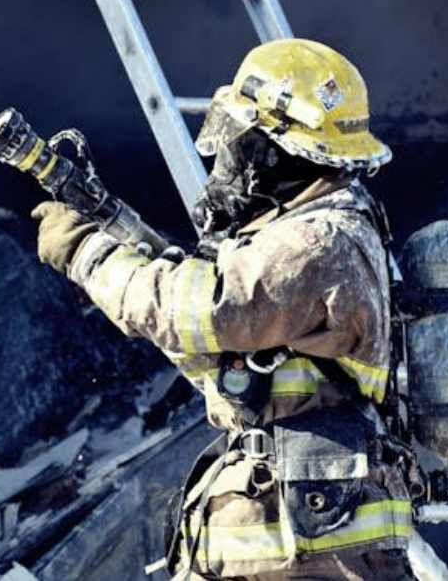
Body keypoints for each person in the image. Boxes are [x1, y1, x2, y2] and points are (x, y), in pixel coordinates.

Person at [31, 39, 414, 580]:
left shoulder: (315, 244)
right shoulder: (308, 236)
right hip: (290, 545)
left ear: (274, 150)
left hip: (314, 552)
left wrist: (85, 250)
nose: (227, 156)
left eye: (242, 140)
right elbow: (211, 341)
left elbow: (191, 310)